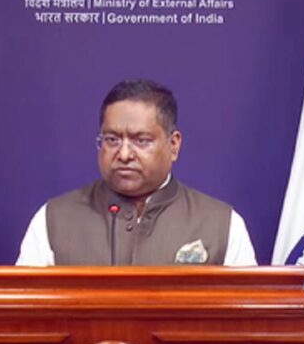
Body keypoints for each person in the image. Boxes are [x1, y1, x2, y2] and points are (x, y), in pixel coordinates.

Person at [16, 79, 257, 266]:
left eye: (141, 141)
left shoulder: (222, 224)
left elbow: (246, 313)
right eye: (112, 139)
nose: (123, 154)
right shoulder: (54, 219)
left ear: (173, 145)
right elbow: (25, 310)